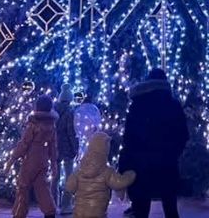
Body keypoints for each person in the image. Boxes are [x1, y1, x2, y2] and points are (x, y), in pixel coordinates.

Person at [120, 68, 188, 218]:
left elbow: (129, 136)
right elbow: (183, 134)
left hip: (141, 165)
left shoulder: (137, 104)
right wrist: (174, 152)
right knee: (170, 207)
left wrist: (132, 157)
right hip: (167, 163)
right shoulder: (173, 105)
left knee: (141, 209)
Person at [6, 95, 58, 218]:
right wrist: (54, 164)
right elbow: (53, 147)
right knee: (42, 188)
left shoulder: (33, 124)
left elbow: (24, 144)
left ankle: (19, 213)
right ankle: (50, 212)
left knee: (23, 187)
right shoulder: (51, 126)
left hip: (31, 160)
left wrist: (12, 159)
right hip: (43, 160)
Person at [65, 131, 135, 218]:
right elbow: (118, 183)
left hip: (79, 213)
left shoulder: (80, 170)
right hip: (97, 213)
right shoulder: (107, 171)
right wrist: (130, 175)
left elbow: (69, 187)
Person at [54, 85, 79, 215]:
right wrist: (76, 148)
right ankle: (66, 205)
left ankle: (52, 204)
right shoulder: (70, 112)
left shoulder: (53, 110)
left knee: (55, 177)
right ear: (70, 99)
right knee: (69, 177)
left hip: (55, 148)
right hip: (67, 149)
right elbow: (71, 132)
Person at [73, 95, 102, 159]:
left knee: (81, 150)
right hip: (91, 134)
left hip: (81, 134)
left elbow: (75, 121)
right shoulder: (94, 109)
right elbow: (98, 121)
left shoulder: (79, 109)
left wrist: (77, 132)